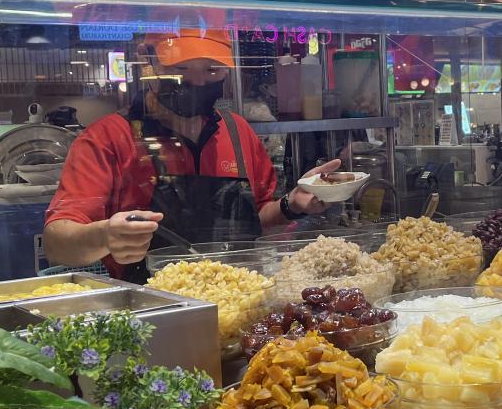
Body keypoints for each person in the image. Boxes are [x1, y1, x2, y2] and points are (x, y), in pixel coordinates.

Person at [43, 29, 337, 280]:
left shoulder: (238, 132)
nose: (198, 82)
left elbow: (255, 218)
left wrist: (290, 204)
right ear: (148, 62)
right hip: (151, 309)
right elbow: (56, 243)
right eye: (181, 68)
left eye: (212, 70)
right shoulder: (106, 138)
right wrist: (105, 236)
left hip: (239, 299)